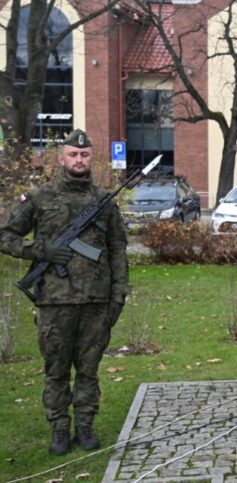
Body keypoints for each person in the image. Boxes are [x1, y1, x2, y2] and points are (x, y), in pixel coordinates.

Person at [0, 129, 129, 455]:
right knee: (56, 371)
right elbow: (5, 235)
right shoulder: (39, 198)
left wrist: (118, 293)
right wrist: (39, 251)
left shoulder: (104, 203)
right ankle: (59, 430)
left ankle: (85, 427)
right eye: (73, 154)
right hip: (54, 302)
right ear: (61, 158)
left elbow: (117, 250)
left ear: (91, 158)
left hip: (95, 302)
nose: (79, 160)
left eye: (84, 155)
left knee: (88, 371)